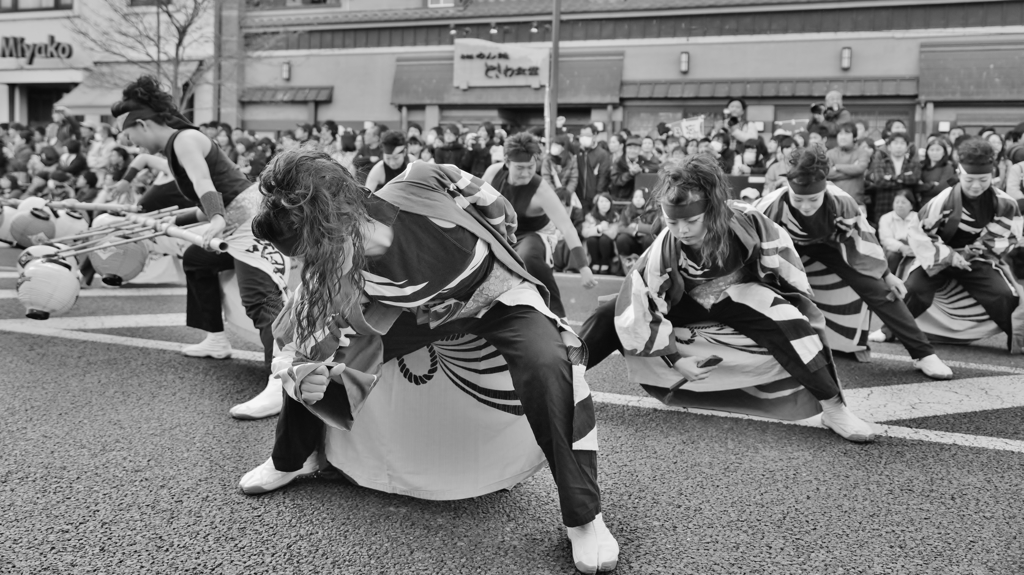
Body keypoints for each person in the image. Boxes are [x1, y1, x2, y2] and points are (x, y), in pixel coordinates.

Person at [244, 152, 618, 574]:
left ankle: (584, 516)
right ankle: (289, 459)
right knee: (324, 359)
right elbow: (300, 337)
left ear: (340, 219)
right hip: (414, 317)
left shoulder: (429, 181)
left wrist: (489, 269)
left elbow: (501, 214)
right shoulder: (324, 269)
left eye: (313, 250)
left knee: (549, 365)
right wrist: (299, 379)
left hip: (499, 299)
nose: (307, 265)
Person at [580, 154, 877, 442]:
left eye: (692, 221)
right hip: (684, 299)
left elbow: (783, 263)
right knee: (609, 312)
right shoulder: (662, 247)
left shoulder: (746, 220)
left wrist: (795, 304)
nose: (682, 231)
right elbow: (640, 299)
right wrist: (675, 361)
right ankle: (562, 378)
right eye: (672, 223)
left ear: (711, 210)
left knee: (791, 323)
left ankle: (833, 407)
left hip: (739, 292)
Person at [109, 75, 290, 420]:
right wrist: (167, 220)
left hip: (252, 222)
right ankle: (216, 338)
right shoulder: (177, 145)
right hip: (235, 217)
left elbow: (208, 186)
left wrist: (217, 219)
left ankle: (280, 384)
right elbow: (208, 199)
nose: (128, 141)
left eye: (127, 133)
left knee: (262, 301)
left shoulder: (185, 140)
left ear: (143, 124)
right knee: (196, 259)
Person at [756, 144, 953, 379]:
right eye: (798, 200)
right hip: (784, 249)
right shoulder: (768, 206)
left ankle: (923, 353)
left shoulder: (842, 202)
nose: (806, 207)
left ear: (825, 189)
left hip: (831, 245)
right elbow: (754, 247)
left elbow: (865, 241)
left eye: (813, 199)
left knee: (881, 290)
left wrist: (887, 275)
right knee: (765, 289)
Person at [904, 137, 1024, 353]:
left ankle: (1017, 341)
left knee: (1005, 295)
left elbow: (1006, 234)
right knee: (913, 289)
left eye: (983, 179)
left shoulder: (1004, 202)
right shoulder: (944, 200)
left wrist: (970, 253)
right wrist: (950, 256)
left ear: (993, 175)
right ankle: (892, 330)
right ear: (959, 173)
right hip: (939, 256)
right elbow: (918, 231)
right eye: (969, 180)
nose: (976, 186)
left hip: (977, 257)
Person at [483, 133, 597, 318]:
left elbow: (567, 227)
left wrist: (584, 267)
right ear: (506, 161)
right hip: (501, 234)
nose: (526, 173)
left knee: (527, 256)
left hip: (536, 235)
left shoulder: (541, 189)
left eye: (531, 167)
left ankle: (558, 315)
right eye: (520, 167)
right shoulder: (493, 173)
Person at [867, 132, 920, 222]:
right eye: (895, 143)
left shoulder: (913, 164)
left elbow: (914, 179)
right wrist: (902, 180)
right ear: (889, 147)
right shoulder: (881, 163)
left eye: (902, 143)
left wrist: (892, 178)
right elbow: (880, 181)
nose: (899, 146)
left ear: (907, 147)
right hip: (884, 204)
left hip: (906, 209)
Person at [825, 123, 871, 206]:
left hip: (855, 200)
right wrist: (852, 170)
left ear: (854, 137)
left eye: (847, 133)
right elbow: (827, 173)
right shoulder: (830, 153)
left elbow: (860, 169)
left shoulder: (862, 153)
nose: (843, 137)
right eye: (840, 133)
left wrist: (837, 167)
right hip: (833, 200)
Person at [614, 187, 659, 272]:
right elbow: (620, 228)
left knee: (648, 239)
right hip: (633, 241)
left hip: (646, 242)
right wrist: (634, 232)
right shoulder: (627, 209)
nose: (638, 199)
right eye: (635, 197)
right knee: (622, 239)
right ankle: (626, 266)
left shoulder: (654, 210)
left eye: (640, 197)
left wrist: (638, 227)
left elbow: (655, 229)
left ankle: (648, 268)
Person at [576, 124, 612, 214]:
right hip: (577, 197)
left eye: (587, 135)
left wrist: (599, 193)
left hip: (594, 198)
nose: (584, 138)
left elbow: (603, 175)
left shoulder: (602, 154)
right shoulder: (577, 152)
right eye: (582, 135)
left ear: (595, 135)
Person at [581, 193, 619, 274]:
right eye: (601, 201)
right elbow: (584, 232)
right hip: (594, 247)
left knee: (604, 239)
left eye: (606, 201)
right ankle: (595, 263)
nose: (604, 204)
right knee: (591, 239)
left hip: (609, 247)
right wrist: (599, 228)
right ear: (597, 203)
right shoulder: (590, 216)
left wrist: (600, 229)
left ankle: (605, 264)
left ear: (610, 204)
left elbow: (613, 234)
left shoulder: (615, 216)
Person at [916, 139, 958, 206]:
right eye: (932, 150)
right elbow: (915, 187)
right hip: (920, 204)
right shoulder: (921, 166)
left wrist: (922, 188)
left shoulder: (948, 167)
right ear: (927, 152)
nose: (934, 153)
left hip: (939, 204)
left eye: (938, 150)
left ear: (944, 152)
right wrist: (931, 184)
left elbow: (941, 189)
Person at [541, 134, 579, 205]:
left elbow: (573, 179)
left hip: (566, 196)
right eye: (553, 144)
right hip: (551, 196)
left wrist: (567, 193)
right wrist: (555, 194)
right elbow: (546, 177)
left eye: (557, 145)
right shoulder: (547, 160)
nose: (554, 147)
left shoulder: (571, 160)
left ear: (564, 147)